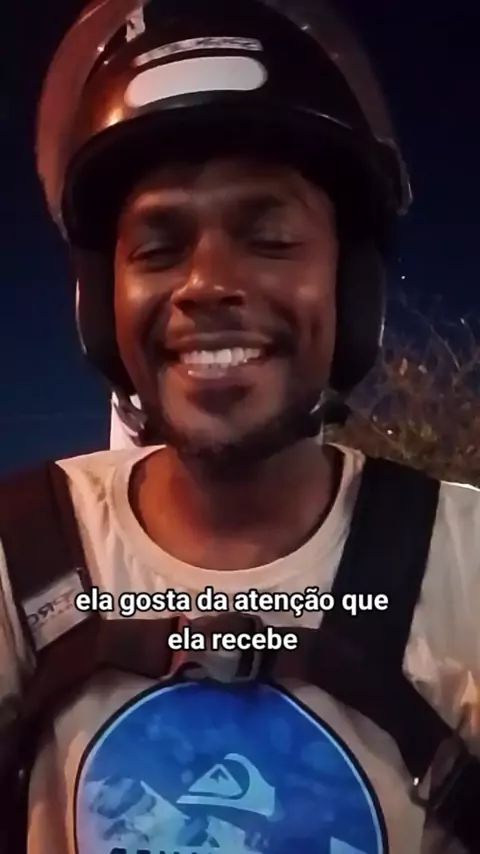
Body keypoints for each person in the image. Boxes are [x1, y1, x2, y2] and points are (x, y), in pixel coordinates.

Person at [1, 1, 479, 852]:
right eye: (158, 247)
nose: (207, 285)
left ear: (351, 284)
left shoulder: (464, 565)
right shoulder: (16, 560)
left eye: (271, 238)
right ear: (100, 305)